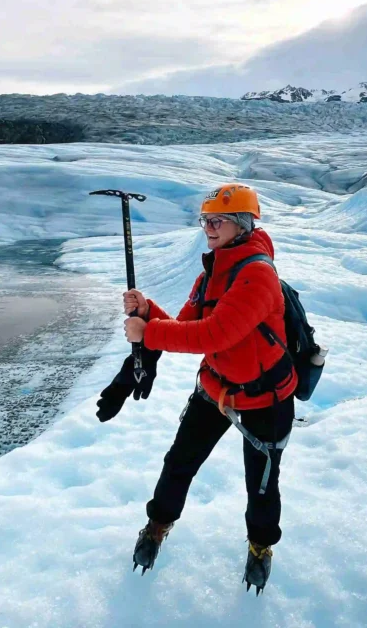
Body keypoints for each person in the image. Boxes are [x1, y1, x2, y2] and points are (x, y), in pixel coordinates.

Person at [119, 183, 296, 594]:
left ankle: (260, 546)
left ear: (242, 225)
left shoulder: (257, 274)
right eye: (206, 220)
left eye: (218, 221)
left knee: (262, 483)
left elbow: (215, 335)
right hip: (217, 387)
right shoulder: (213, 269)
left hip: (265, 396)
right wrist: (149, 312)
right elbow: (186, 328)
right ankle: (158, 524)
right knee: (179, 461)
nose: (209, 228)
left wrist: (147, 333)